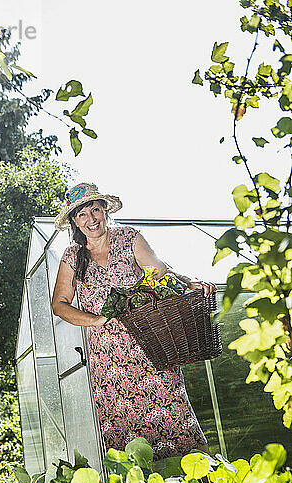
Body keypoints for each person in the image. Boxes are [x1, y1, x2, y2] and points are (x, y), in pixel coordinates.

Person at [52, 182, 216, 462]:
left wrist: (189, 281)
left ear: (104, 210)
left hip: (151, 349)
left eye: (95, 210)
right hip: (108, 365)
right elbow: (59, 305)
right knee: (125, 442)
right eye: (82, 214)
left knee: (176, 419)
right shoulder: (72, 257)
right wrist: (95, 321)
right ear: (74, 223)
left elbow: (160, 272)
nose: (91, 219)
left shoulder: (128, 238)